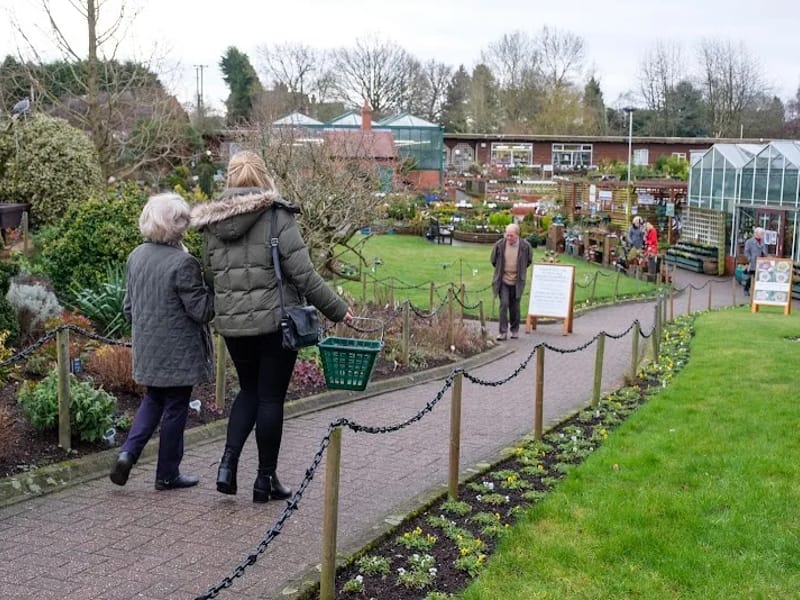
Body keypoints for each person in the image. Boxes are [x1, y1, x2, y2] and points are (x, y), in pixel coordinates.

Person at [191, 150, 354, 504]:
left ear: (230, 180)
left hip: (233, 327)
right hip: (275, 324)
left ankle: (227, 467)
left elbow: (209, 275)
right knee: (270, 399)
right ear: (264, 177)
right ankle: (265, 480)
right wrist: (339, 310)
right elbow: (304, 275)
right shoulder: (277, 215)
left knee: (248, 392)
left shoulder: (210, 224)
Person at [109, 193, 214, 490]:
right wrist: (216, 289)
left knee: (153, 399)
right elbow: (202, 311)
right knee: (176, 405)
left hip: (148, 350)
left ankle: (128, 453)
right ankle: (167, 473)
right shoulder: (184, 263)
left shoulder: (135, 256)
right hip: (179, 352)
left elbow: (128, 309)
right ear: (176, 227)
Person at [490, 223, 533, 341]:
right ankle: (502, 332)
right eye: (507, 235)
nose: (508, 238)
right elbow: (493, 260)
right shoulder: (499, 245)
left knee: (515, 307)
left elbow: (528, 261)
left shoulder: (525, 246)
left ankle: (514, 330)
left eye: (511, 236)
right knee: (503, 304)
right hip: (503, 280)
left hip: (517, 281)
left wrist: (519, 271)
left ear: (517, 235)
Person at [743, 227, 767, 296]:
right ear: (756, 233)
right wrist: (750, 258)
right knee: (751, 277)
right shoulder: (749, 241)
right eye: (761, 233)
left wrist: (765, 256)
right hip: (753, 261)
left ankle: (759, 291)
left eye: (763, 233)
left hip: (762, 262)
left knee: (761, 277)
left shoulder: (763, 241)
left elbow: (765, 250)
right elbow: (746, 252)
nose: (762, 235)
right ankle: (746, 289)